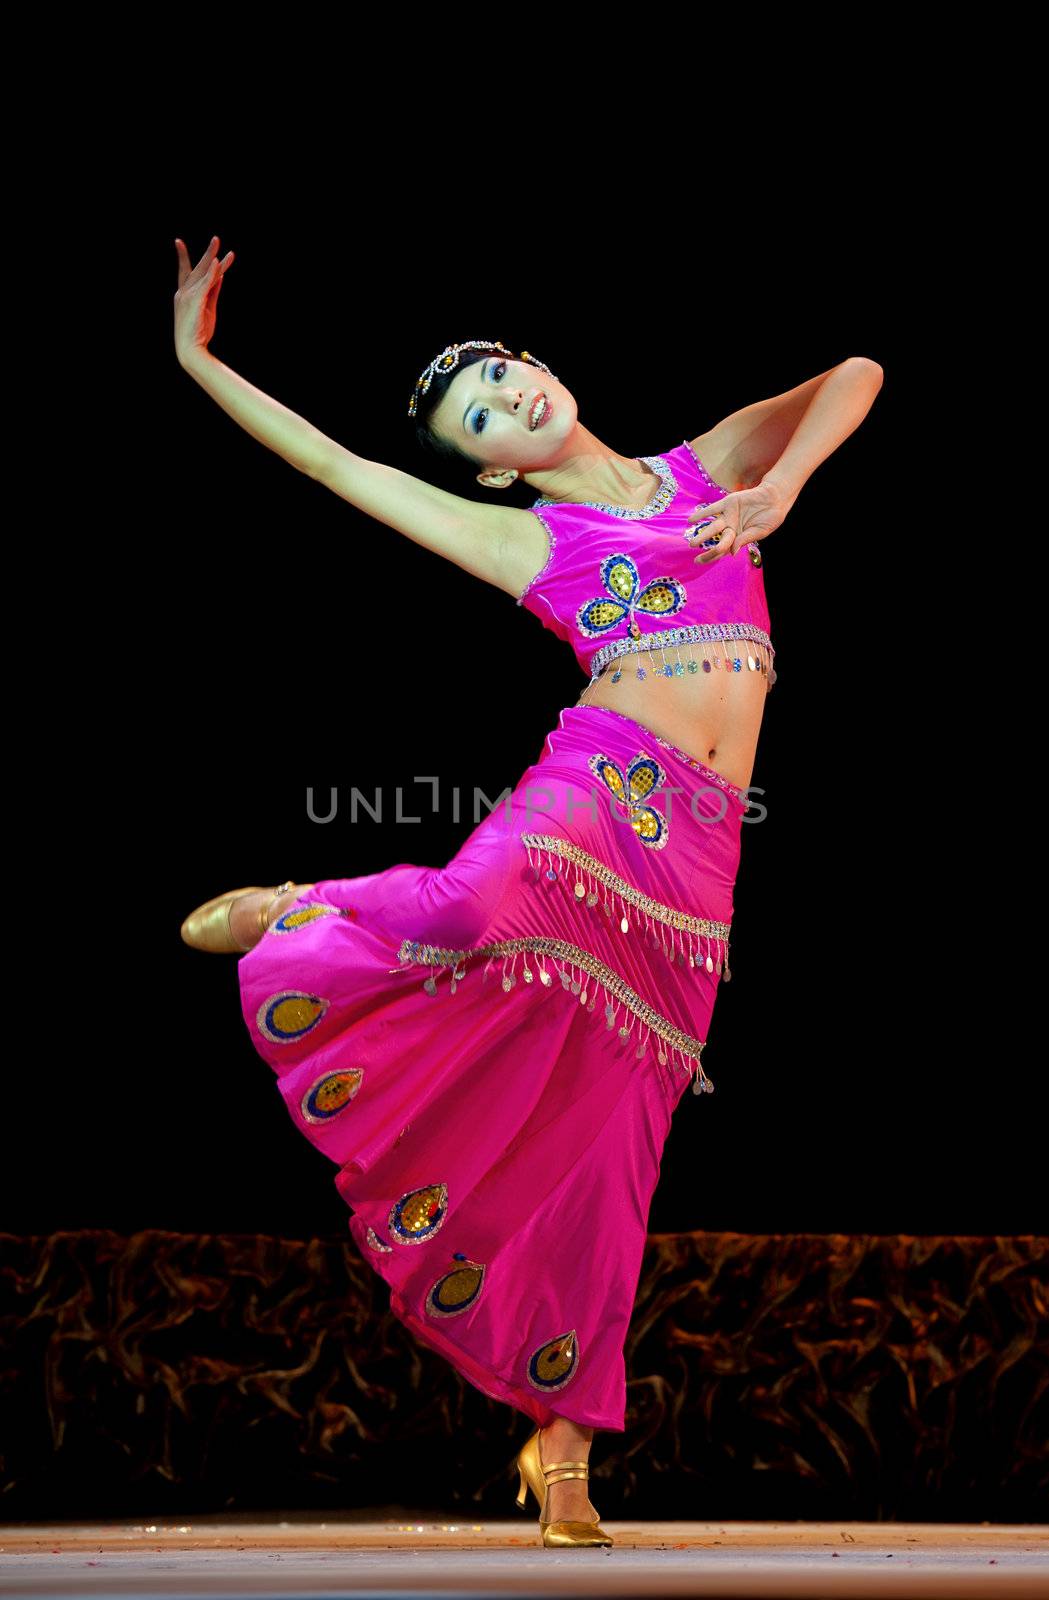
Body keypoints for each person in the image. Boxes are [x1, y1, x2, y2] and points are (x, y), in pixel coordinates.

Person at [174, 234, 884, 1549]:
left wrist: (782, 484)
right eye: (480, 419)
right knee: (453, 912)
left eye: (501, 376)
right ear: (493, 461)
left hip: (701, 853)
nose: (508, 404)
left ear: (541, 367)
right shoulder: (524, 537)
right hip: (599, 785)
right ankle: (297, 904)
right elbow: (336, 465)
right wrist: (192, 358)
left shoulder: (702, 471)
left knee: (614, 1148)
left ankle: (559, 1452)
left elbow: (856, 369)